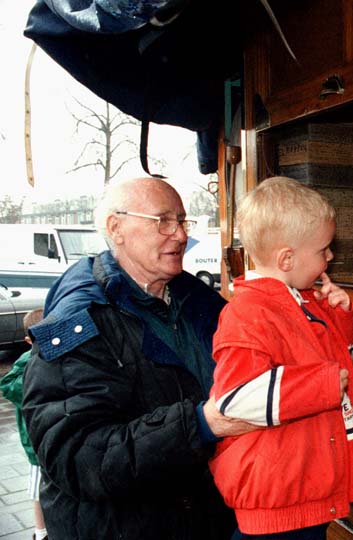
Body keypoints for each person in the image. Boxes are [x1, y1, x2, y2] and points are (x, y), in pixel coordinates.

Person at [21, 177, 260, 540]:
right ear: (116, 228)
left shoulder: (196, 297)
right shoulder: (79, 321)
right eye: (163, 221)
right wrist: (199, 424)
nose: (180, 235)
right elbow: (77, 456)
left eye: (182, 221)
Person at [209, 176, 353, 540]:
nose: (331, 257)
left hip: (303, 485)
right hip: (279, 497)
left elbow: (335, 361)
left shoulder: (301, 299)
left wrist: (341, 318)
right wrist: (319, 385)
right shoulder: (247, 312)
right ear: (287, 258)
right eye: (323, 249)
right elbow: (234, 398)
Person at [0, 308, 47, 540]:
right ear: (29, 341)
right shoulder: (27, 359)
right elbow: (8, 384)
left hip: (53, 439)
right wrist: (37, 389)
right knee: (38, 491)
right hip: (35, 443)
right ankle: (40, 532)